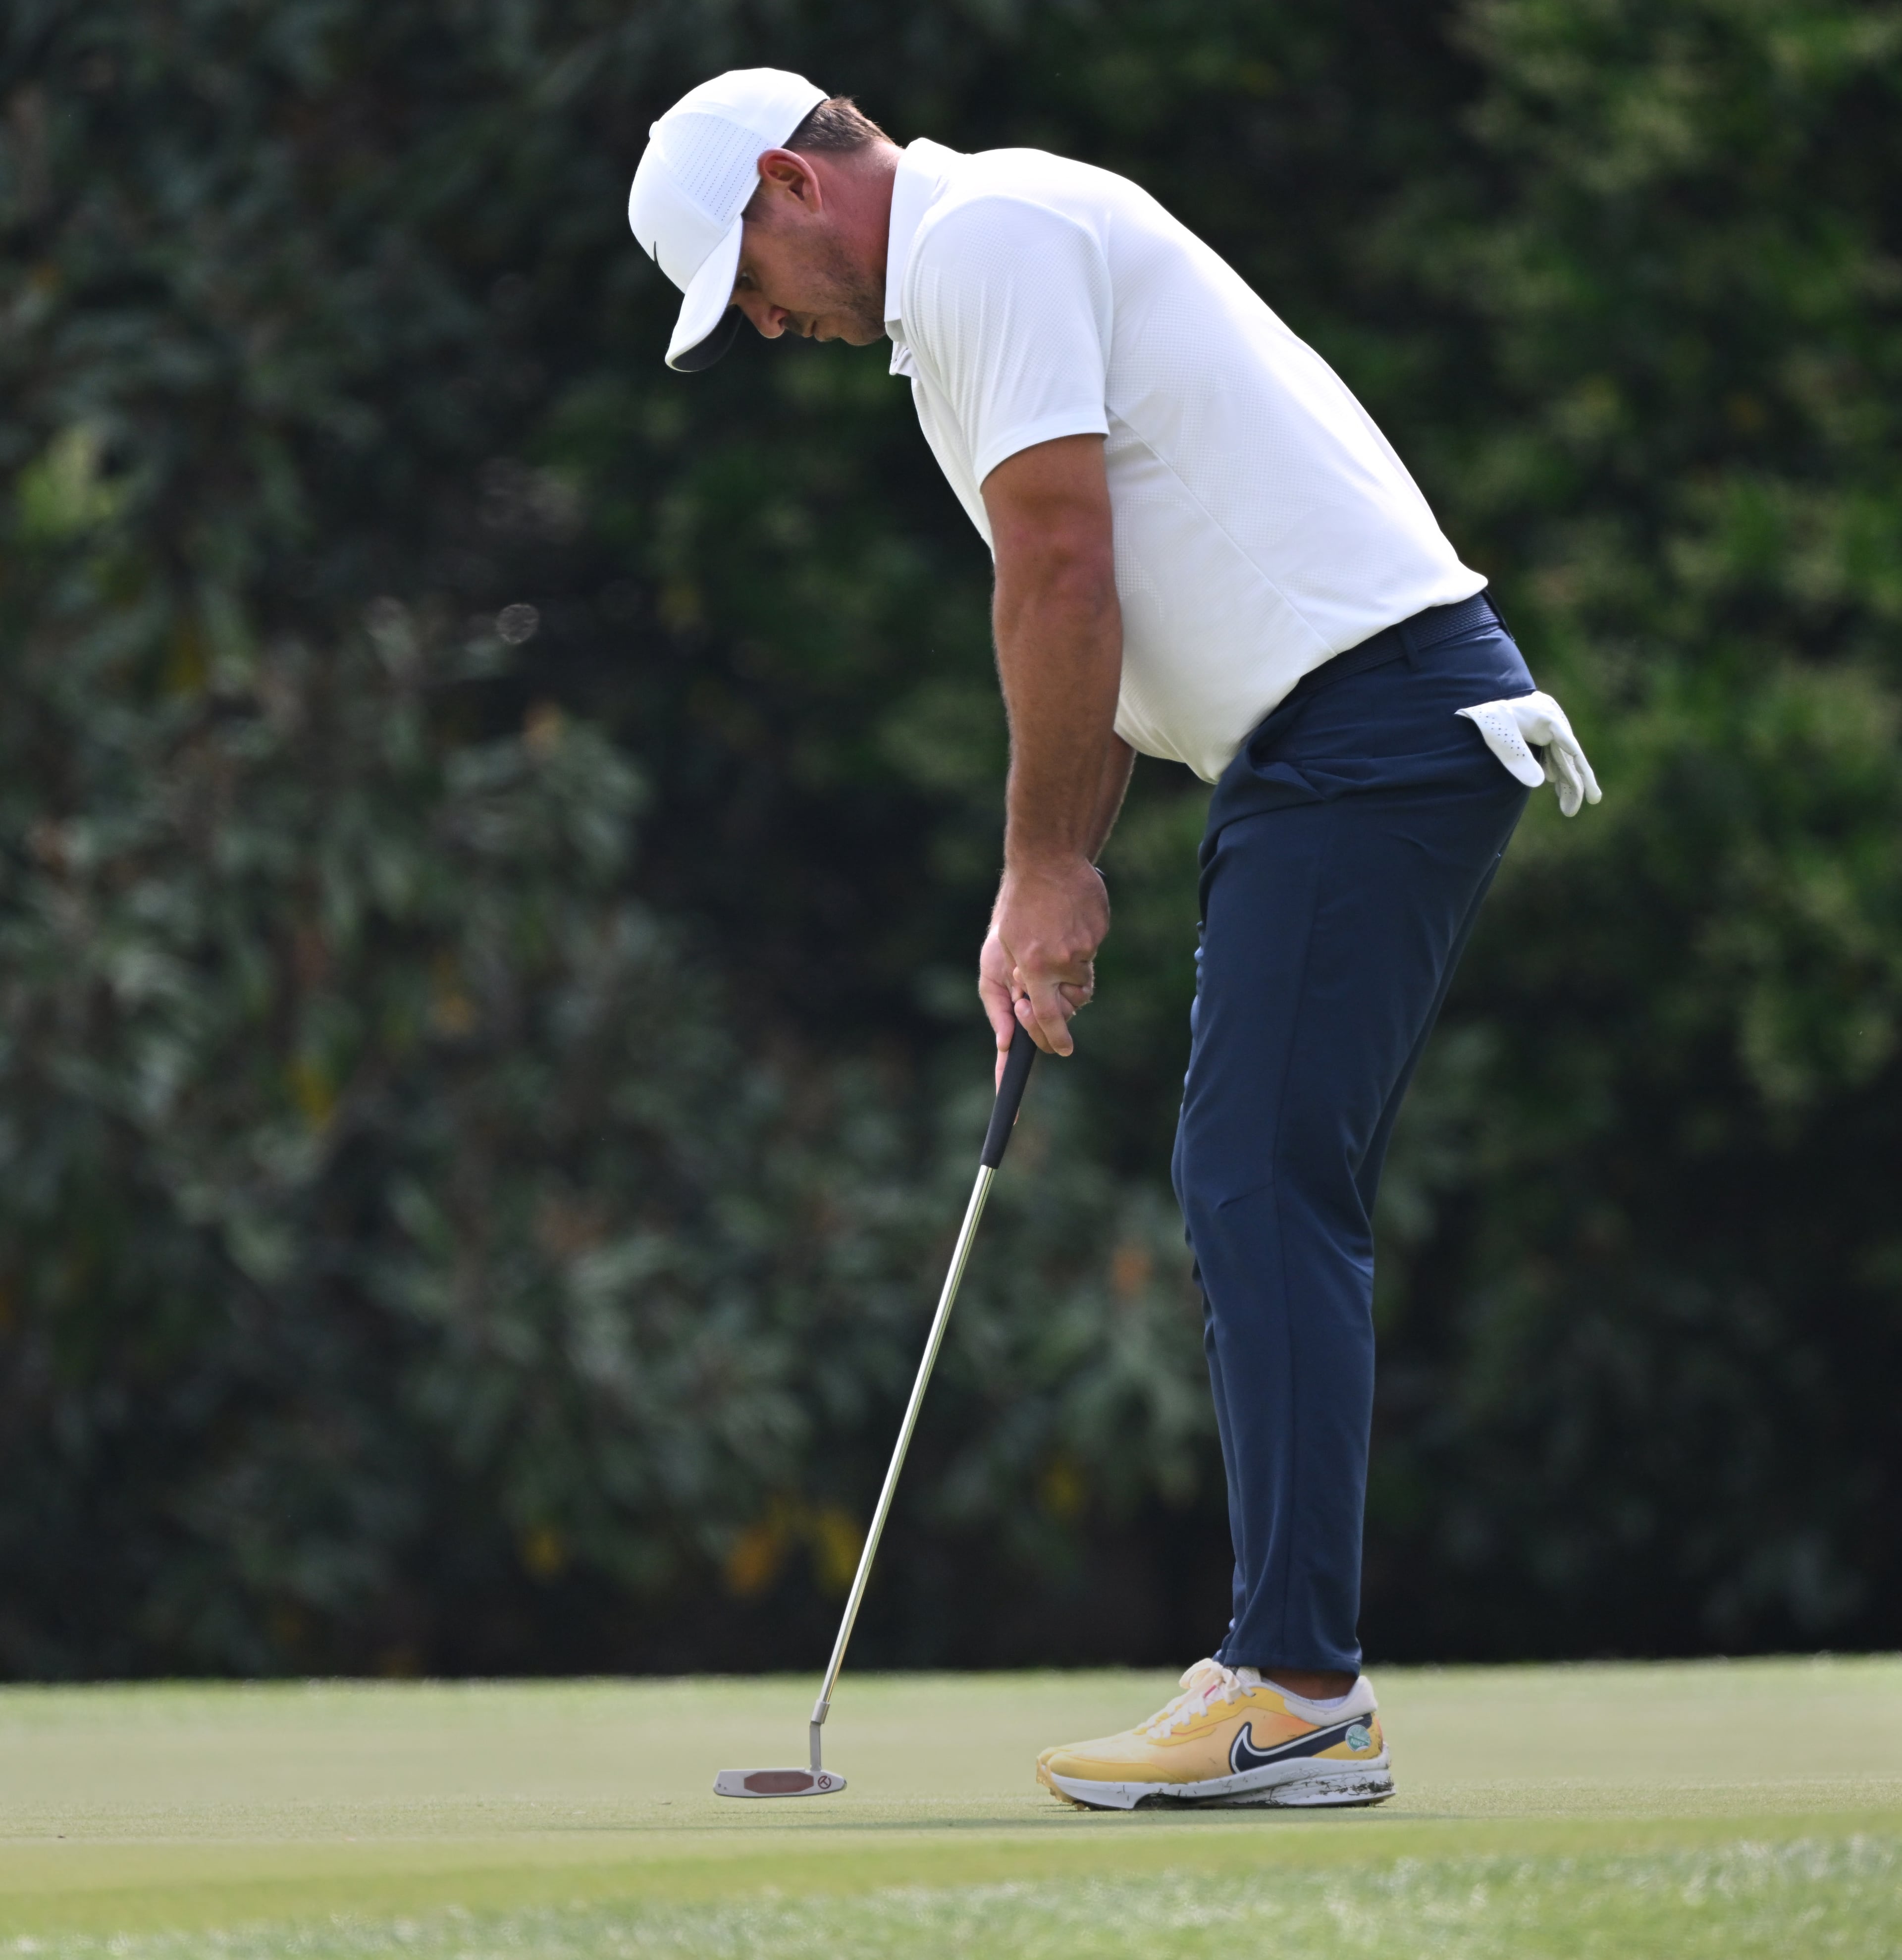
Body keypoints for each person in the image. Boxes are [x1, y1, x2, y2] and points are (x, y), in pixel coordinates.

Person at [628, 68, 1599, 1810]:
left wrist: (1041, 871)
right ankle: (1290, 1677)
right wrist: (1055, 877)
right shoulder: (974, 271)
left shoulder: (987, 236)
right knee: (1251, 1175)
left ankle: (1298, 1691)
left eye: (749, 282)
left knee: (1254, 1183)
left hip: (1369, 729)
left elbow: (1062, 574)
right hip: (1329, 741)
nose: (768, 326)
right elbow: (1116, 614)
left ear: (792, 179)